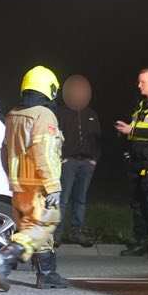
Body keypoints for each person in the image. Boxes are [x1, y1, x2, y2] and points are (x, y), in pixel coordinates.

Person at [0, 66, 68, 289]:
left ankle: (47, 274)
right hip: (39, 183)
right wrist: (52, 185)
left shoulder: (13, 114)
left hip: (19, 185)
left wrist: (12, 178)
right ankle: (5, 257)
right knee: (46, 222)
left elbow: (4, 150)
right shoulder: (44, 115)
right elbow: (42, 152)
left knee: (30, 227)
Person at [115, 67, 148, 256]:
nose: (139, 85)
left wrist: (132, 131)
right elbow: (136, 130)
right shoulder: (141, 105)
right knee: (137, 203)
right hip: (137, 161)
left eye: (142, 82)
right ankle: (141, 242)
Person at [55, 73, 100, 245]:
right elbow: (56, 138)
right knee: (63, 198)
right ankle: (57, 233)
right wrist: (62, 158)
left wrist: (94, 159)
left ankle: (76, 231)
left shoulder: (91, 114)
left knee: (80, 199)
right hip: (68, 162)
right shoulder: (62, 113)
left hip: (86, 163)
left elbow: (97, 139)